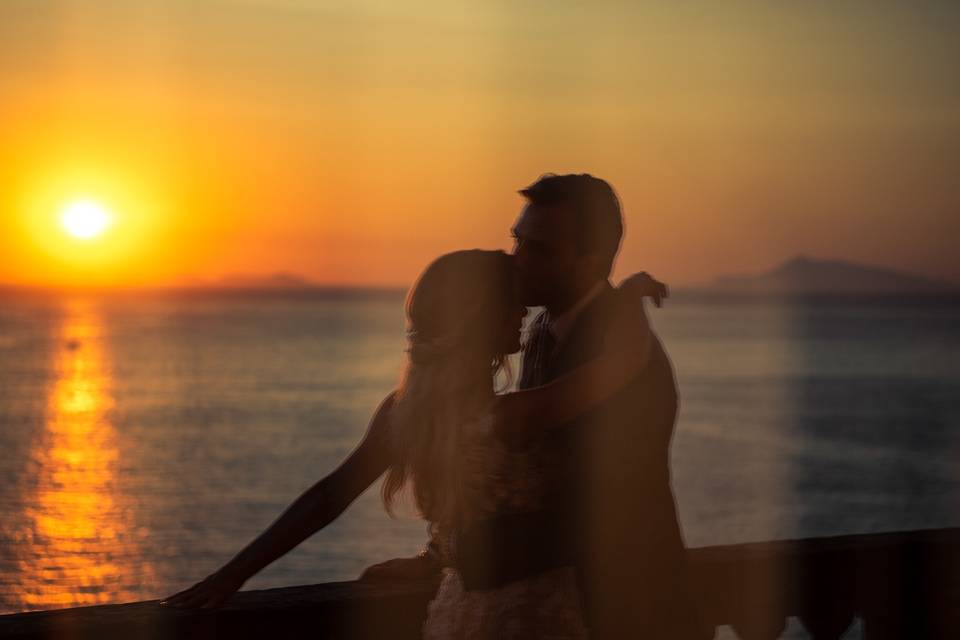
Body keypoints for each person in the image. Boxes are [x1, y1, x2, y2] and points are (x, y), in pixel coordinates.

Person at [161, 247, 665, 638]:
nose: (524, 311)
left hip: (460, 611)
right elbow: (621, 364)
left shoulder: (409, 410)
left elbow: (329, 496)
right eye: (513, 302)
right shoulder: (514, 416)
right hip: (529, 616)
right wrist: (628, 300)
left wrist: (230, 576)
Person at [366, 174, 709, 639]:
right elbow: (508, 478)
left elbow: (603, 508)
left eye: (540, 249)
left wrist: (466, 554)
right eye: (517, 240)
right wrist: (443, 554)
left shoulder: (629, 357)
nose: (518, 262)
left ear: (593, 261)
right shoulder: (539, 332)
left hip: (628, 611)